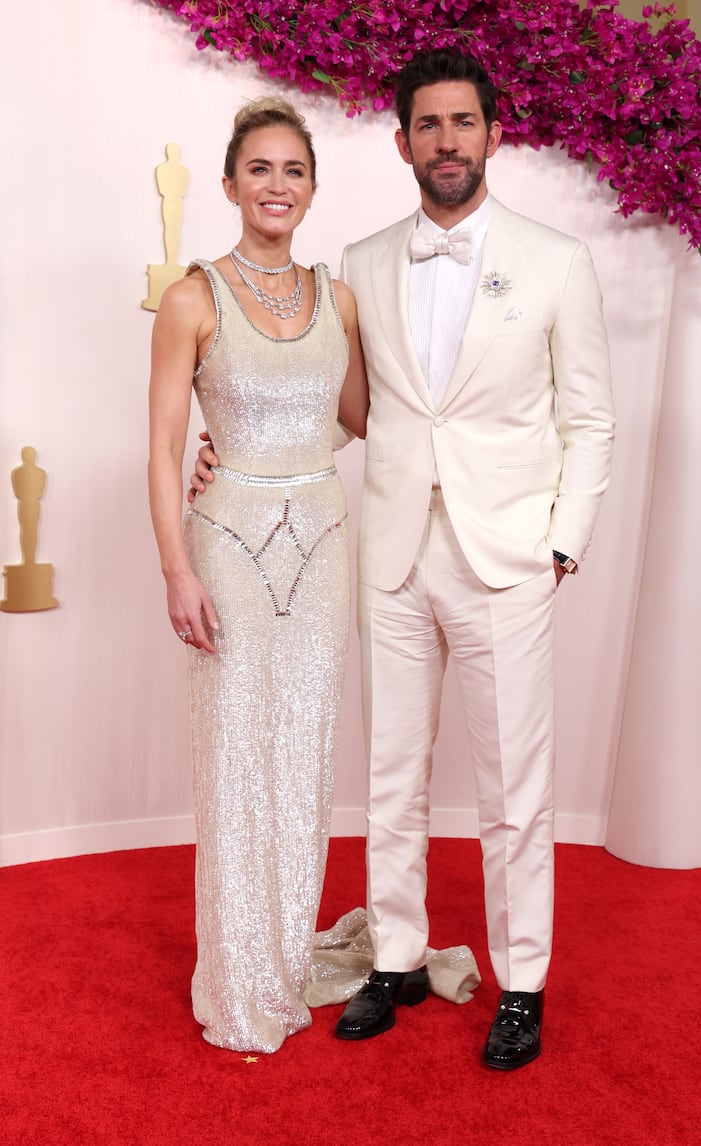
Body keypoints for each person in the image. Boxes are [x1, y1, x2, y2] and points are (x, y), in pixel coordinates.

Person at [191, 49, 614, 1070]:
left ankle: (520, 984)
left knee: (517, 786)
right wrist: (226, 441)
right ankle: (393, 956)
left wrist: (560, 543)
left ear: (491, 134)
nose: (446, 142)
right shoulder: (363, 266)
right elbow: (341, 407)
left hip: (506, 558)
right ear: (399, 143)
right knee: (390, 777)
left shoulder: (556, 261)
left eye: (462, 123)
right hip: (384, 555)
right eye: (426, 126)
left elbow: (589, 420)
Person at [147, 96, 368, 1054]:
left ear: (312, 190)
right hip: (226, 551)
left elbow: (361, 414)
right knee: (237, 760)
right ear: (233, 183)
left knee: (304, 757)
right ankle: (238, 980)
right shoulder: (191, 298)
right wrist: (174, 571)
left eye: (294, 171)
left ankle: (283, 955)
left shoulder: (340, 295)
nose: (277, 186)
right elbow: (159, 450)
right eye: (260, 170)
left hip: (322, 546)